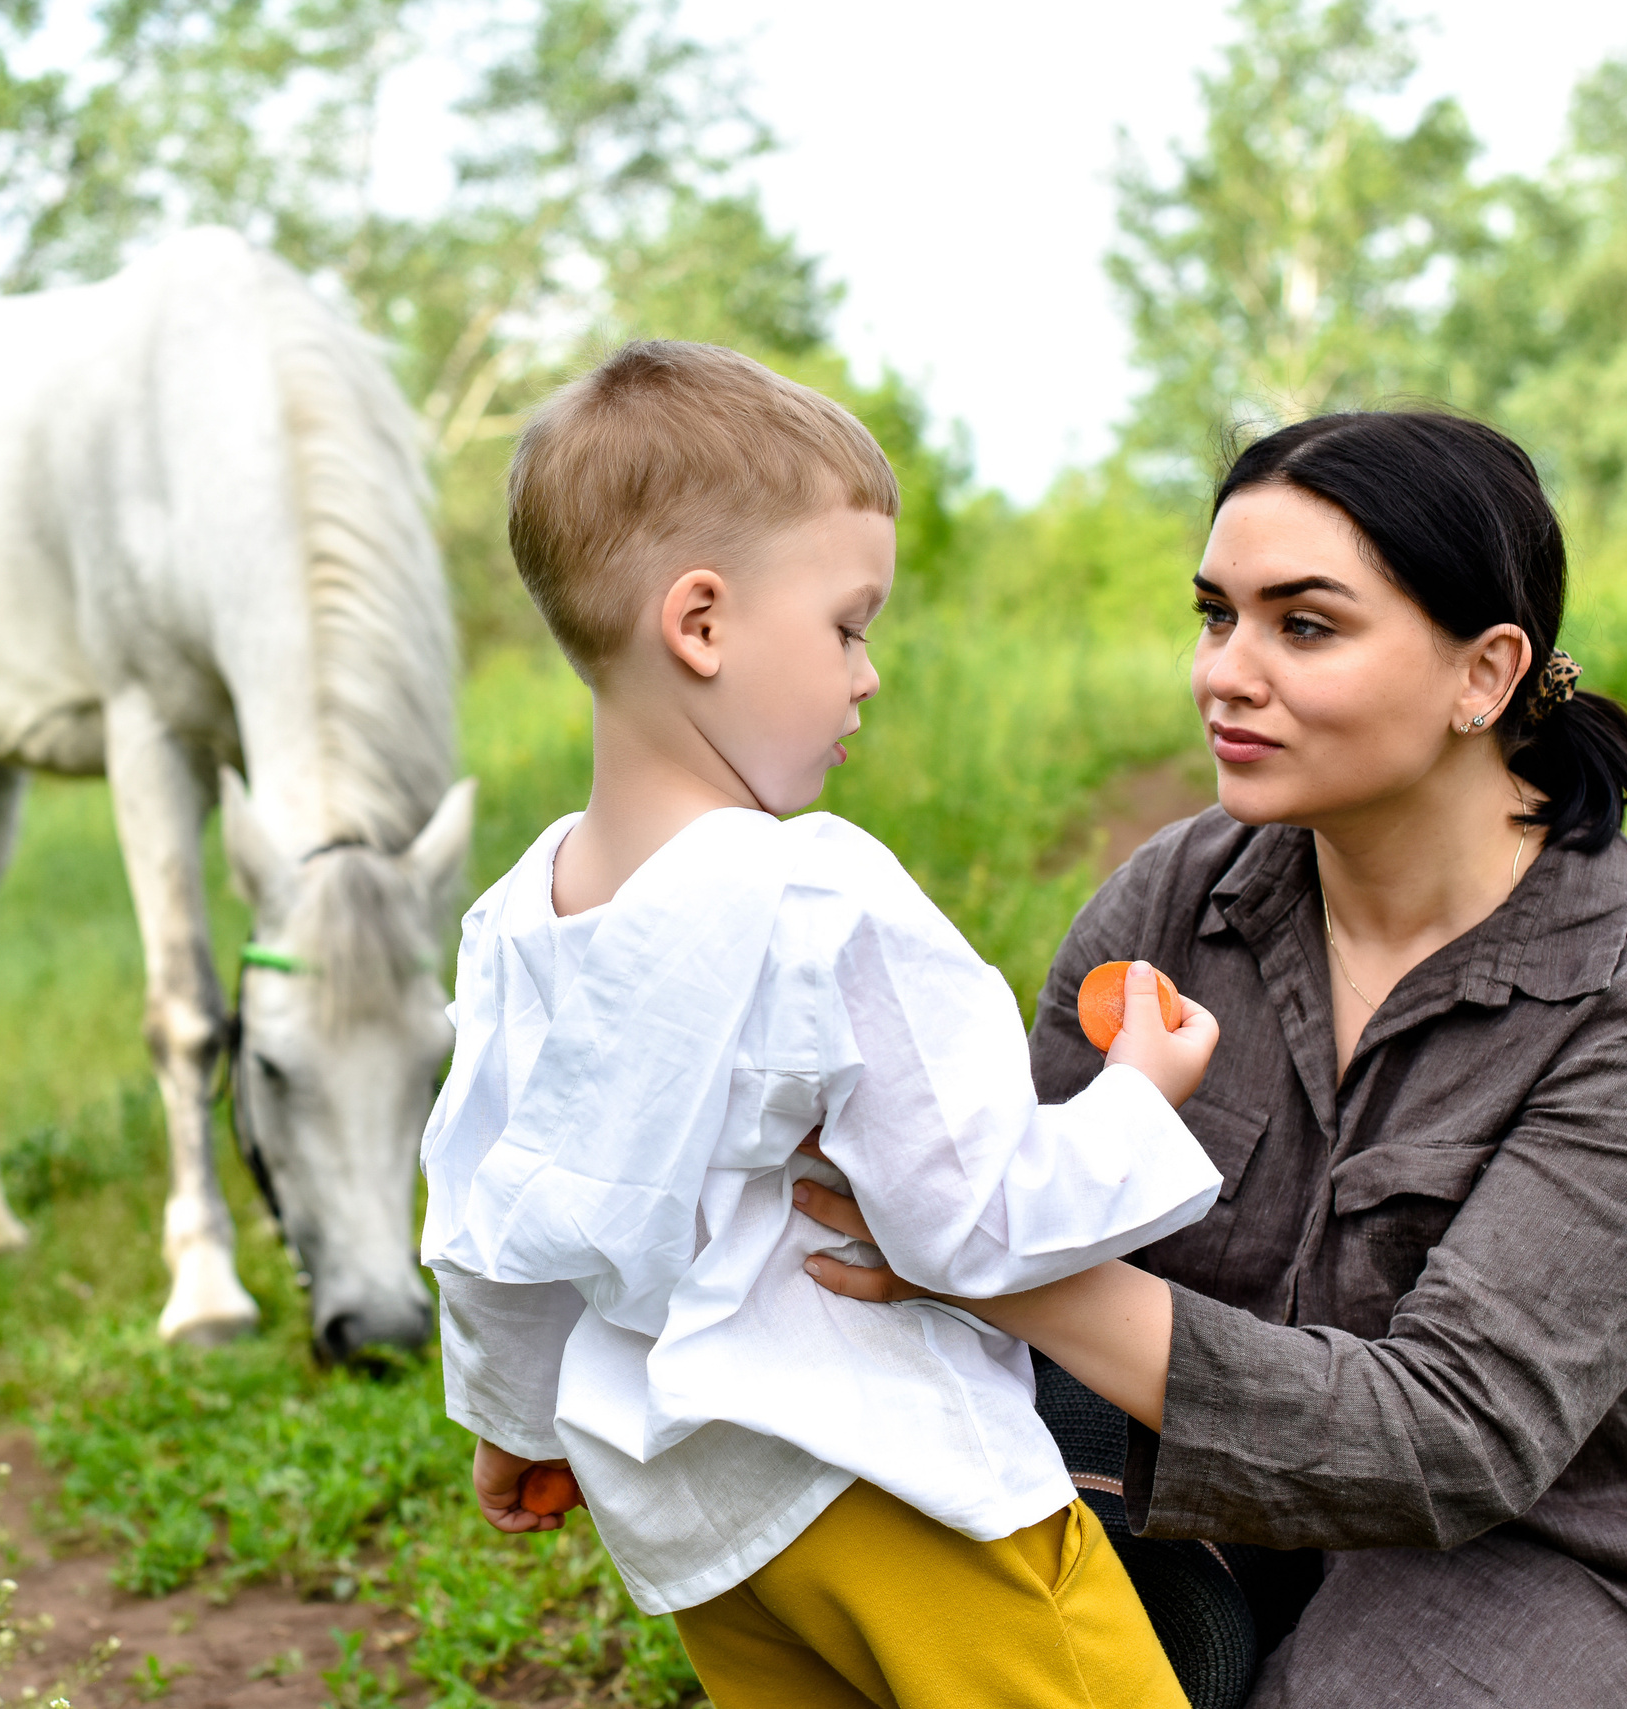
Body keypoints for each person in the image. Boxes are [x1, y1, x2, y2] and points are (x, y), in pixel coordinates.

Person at [798, 410, 1627, 1707]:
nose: (1225, 673)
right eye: (1215, 616)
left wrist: (976, 1259)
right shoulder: (1173, 903)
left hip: (1607, 1543)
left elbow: (1456, 1436)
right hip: (1246, 1512)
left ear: (1486, 673)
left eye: (1303, 625)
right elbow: (1026, 1190)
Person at [420, 339, 1228, 1709]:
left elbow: (486, 1212)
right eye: (848, 626)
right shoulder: (816, 888)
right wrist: (1140, 1094)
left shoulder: (519, 913)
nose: (866, 676)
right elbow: (965, 1217)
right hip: (892, 1472)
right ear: (703, 624)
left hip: (697, 1513)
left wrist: (516, 1414)